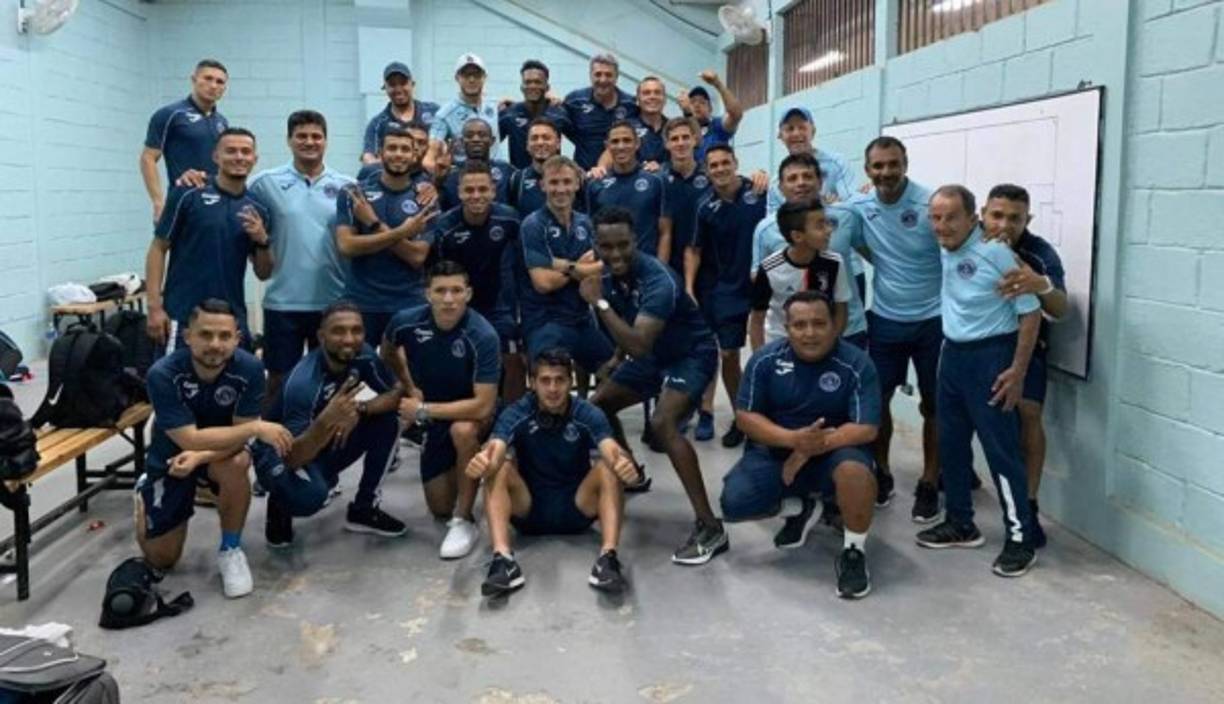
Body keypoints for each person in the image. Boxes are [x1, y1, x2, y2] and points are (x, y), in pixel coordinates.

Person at [584, 207, 727, 565]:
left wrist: (598, 303)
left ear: (636, 241)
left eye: (622, 245)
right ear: (596, 245)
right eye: (606, 246)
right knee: (598, 405)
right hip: (654, 354)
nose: (614, 254)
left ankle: (711, 527)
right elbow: (631, 321)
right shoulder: (607, 275)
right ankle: (630, 472)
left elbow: (639, 343)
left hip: (691, 353)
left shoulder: (658, 279)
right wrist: (616, 360)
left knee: (663, 424)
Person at [916, 186, 1041, 578]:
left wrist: (1017, 371)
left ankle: (1020, 538)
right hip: (951, 355)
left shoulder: (997, 253)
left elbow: (1031, 312)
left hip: (990, 358)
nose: (941, 226)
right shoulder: (945, 245)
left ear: (973, 218)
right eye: (935, 217)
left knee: (1001, 452)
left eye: (951, 217)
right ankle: (960, 522)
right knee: (951, 445)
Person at [720, 292, 881, 598]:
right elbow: (745, 417)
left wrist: (809, 448)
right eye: (800, 324)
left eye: (819, 323)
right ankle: (802, 507)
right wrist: (793, 440)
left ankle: (853, 553)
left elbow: (866, 428)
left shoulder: (857, 364)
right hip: (777, 452)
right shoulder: (764, 361)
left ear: (835, 325)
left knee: (855, 475)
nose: (810, 333)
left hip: (837, 454)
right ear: (787, 326)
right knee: (735, 504)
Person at [134, 299, 294, 598]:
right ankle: (145, 495)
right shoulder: (163, 374)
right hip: (173, 456)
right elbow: (189, 439)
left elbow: (237, 439)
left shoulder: (249, 369)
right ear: (187, 337)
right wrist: (257, 428)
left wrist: (204, 456)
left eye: (224, 336)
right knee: (163, 559)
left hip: (214, 455)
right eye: (205, 335)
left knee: (237, 464)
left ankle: (230, 549)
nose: (215, 345)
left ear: (237, 338)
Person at [466, 348, 639, 596]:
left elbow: (610, 448)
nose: (553, 388)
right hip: (529, 511)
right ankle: (503, 559)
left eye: (560, 380)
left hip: (578, 508)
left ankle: (608, 558)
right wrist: (484, 461)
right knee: (500, 466)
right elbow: (495, 448)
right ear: (532, 383)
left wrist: (624, 464)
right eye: (545, 380)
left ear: (570, 381)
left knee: (608, 467)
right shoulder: (516, 412)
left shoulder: (588, 413)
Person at [846, 137, 943, 520]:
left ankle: (930, 481)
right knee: (877, 401)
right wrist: (888, 264)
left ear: (905, 163)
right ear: (867, 169)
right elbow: (863, 247)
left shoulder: (930, 204)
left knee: (934, 406)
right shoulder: (859, 207)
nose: (885, 172)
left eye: (893, 164)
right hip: (885, 318)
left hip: (934, 321)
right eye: (878, 166)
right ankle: (882, 472)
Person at [263, 301, 407, 547]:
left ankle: (363, 508)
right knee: (310, 496)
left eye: (356, 330)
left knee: (388, 422)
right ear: (321, 336)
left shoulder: (364, 354)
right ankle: (280, 502)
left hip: (325, 438)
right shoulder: (303, 384)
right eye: (338, 331)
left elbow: (395, 394)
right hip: (281, 452)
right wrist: (326, 421)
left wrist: (359, 409)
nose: (349, 339)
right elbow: (291, 456)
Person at [382, 261, 500, 559]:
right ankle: (461, 478)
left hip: (473, 415)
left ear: (469, 294)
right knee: (438, 509)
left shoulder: (483, 335)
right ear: (427, 294)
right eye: (441, 291)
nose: (449, 299)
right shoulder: (405, 322)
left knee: (463, 431)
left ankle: (465, 519)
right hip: (434, 415)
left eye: (457, 290)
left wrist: (421, 409)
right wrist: (408, 385)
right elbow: (387, 350)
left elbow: (483, 404)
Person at [247, 110, 354, 412]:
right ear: (289, 140)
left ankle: (324, 447)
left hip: (332, 301)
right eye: (302, 136)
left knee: (331, 381)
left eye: (316, 136)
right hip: (284, 302)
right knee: (281, 380)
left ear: (326, 141)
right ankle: (273, 449)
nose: (310, 142)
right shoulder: (264, 184)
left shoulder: (347, 185)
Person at [980, 184, 1068, 548]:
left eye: (1014, 218)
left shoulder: (1039, 253)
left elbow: (1060, 308)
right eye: (997, 215)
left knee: (1029, 416)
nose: (1004, 224)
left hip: (1026, 348)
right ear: (983, 213)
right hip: (974, 349)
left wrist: (1039, 283)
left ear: (1027, 220)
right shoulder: (966, 243)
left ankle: (1028, 504)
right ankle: (956, 499)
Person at [145, 127, 273, 355]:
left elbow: (264, 272)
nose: (239, 157)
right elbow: (158, 248)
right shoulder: (188, 193)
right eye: (231, 151)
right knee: (171, 383)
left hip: (231, 317)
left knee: (232, 386)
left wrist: (262, 240)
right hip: (182, 314)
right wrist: (154, 307)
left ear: (255, 159)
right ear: (216, 156)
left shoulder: (259, 208)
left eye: (245, 152)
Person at [685, 144, 766, 449]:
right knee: (729, 355)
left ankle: (769, 419)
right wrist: (690, 288)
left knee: (764, 357)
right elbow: (694, 249)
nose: (720, 169)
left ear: (736, 163)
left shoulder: (758, 192)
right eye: (713, 165)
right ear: (706, 170)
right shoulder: (704, 206)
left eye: (725, 163)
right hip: (724, 290)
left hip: (763, 286)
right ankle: (742, 417)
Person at [430, 160, 526, 401]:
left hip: (500, 306)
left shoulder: (510, 219)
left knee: (514, 361)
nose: (476, 196)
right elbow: (437, 272)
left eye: (482, 189)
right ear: (459, 191)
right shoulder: (445, 227)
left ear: (493, 191)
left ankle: (510, 421)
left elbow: (524, 264)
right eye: (469, 190)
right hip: (460, 305)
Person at [335, 124, 438, 346]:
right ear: (380, 153)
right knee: (360, 375)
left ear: (414, 155)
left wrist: (373, 224)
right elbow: (347, 246)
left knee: (406, 376)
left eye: (404, 149)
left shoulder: (426, 199)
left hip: (409, 303)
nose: (398, 154)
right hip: (362, 302)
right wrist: (403, 233)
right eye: (392, 148)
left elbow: (417, 257)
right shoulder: (354, 194)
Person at [749, 155, 867, 349]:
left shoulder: (848, 214)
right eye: (792, 178)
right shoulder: (765, 229)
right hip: (787, 338)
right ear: (781, 187)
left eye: (807, 176)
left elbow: (873, 255)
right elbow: (759, 288)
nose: (801, 183)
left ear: (820, 181)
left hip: (847, 330)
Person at [517, 155, 614, 379]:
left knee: (617, 374)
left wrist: (561, 265)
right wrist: (579, 267)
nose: (561, 189)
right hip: (545, 322)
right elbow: (542, 283)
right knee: (551, 379)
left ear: (578, 183)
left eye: (566, 182)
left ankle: (601, 412)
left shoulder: (585, 223)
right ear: (543, 185)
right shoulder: (533, 225)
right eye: (554, 182)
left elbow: (600, 269)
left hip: (580, 320)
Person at [750, 199, 851, 347]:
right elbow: (757, 318)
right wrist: (759, 357)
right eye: (820, 225)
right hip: (780, 343)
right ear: (797, 236)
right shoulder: (769, 268)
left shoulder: (834, 263)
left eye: (827, 223)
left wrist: (831, 344)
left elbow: (841, 309)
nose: (829, 230)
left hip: (821, 344)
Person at [141, 59, 230, 222]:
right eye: (208, 78)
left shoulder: (222, 122)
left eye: (220, 82)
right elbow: (148, 158)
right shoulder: (169, 114)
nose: (213, 85)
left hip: (218, 203)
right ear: (194, 80)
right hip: (183, 202)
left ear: (224, 88)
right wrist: (158, 202)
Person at [586, 120, 670, 259]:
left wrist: (661, 269)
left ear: (637, 144)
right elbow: (592, 233)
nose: (621, 146)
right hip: (610, 267)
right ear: (607, 146)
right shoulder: (595, 185)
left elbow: (665, 232)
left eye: (627, 140)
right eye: (615, 141)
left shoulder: (656, 180)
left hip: (647, 267)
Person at [766, 107, 857, 213]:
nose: (796, 133)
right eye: (790, 129)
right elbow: (773, 224)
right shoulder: (775, 184)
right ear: (780, 136)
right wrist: (828, 206)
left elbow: (851, 208)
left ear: (813, 131)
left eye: (802, 128)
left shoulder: (837, 164)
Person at [424, 53, 501, 171]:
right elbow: (428, 159)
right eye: (466, 75)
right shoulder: (444, 114)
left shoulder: (495, 106)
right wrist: (445, 179)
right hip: (464, 180)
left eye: (476, 75)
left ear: (484, 77)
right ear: (457, 78)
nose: (471, 79)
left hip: (495, 175)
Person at [562, 54, 639, 170]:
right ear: (590, 76)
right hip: (584, 176)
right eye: (598, 74)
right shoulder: (575, 101)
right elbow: (558, 123)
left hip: (622, 176)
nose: (603, 80)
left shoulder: (631, 104)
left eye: (608, 75)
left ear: (617, 77)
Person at [361, 61, 439, 165]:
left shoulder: (434, 111)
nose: (398, 89)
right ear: (385, 88)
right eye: (392, 85)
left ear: (412, 84)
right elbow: (368, 157)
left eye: (403, 83)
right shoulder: (377, 124)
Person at [499, 59, 569, 170]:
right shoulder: (509, 114)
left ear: (547, 87)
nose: (532, 86)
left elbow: (583, 142)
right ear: (521, 87)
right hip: (520, 182)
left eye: (537, 82)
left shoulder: (559, 114)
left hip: (553, 180)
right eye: (528, 82)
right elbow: (490, 143)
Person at [437, 118, 514, 211]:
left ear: (492, 141)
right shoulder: (450, 175)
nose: (476, 139)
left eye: (482, 135)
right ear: (461, 141)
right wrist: (437, 182)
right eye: (469, 136)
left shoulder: (507, 171)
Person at [679, 70, 743, 163]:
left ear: (710, 109)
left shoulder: (717, 126)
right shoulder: (682, 131)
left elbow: (736, 114)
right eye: (692, 102)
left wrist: (717, 83)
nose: (697, 105)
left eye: (702, 102)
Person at [507, 117, 563, 217]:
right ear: (527, 145)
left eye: (546, 137)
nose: (540, 142)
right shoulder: (516, 180)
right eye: (534, 138)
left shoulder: (576, 176)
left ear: (558, 143)